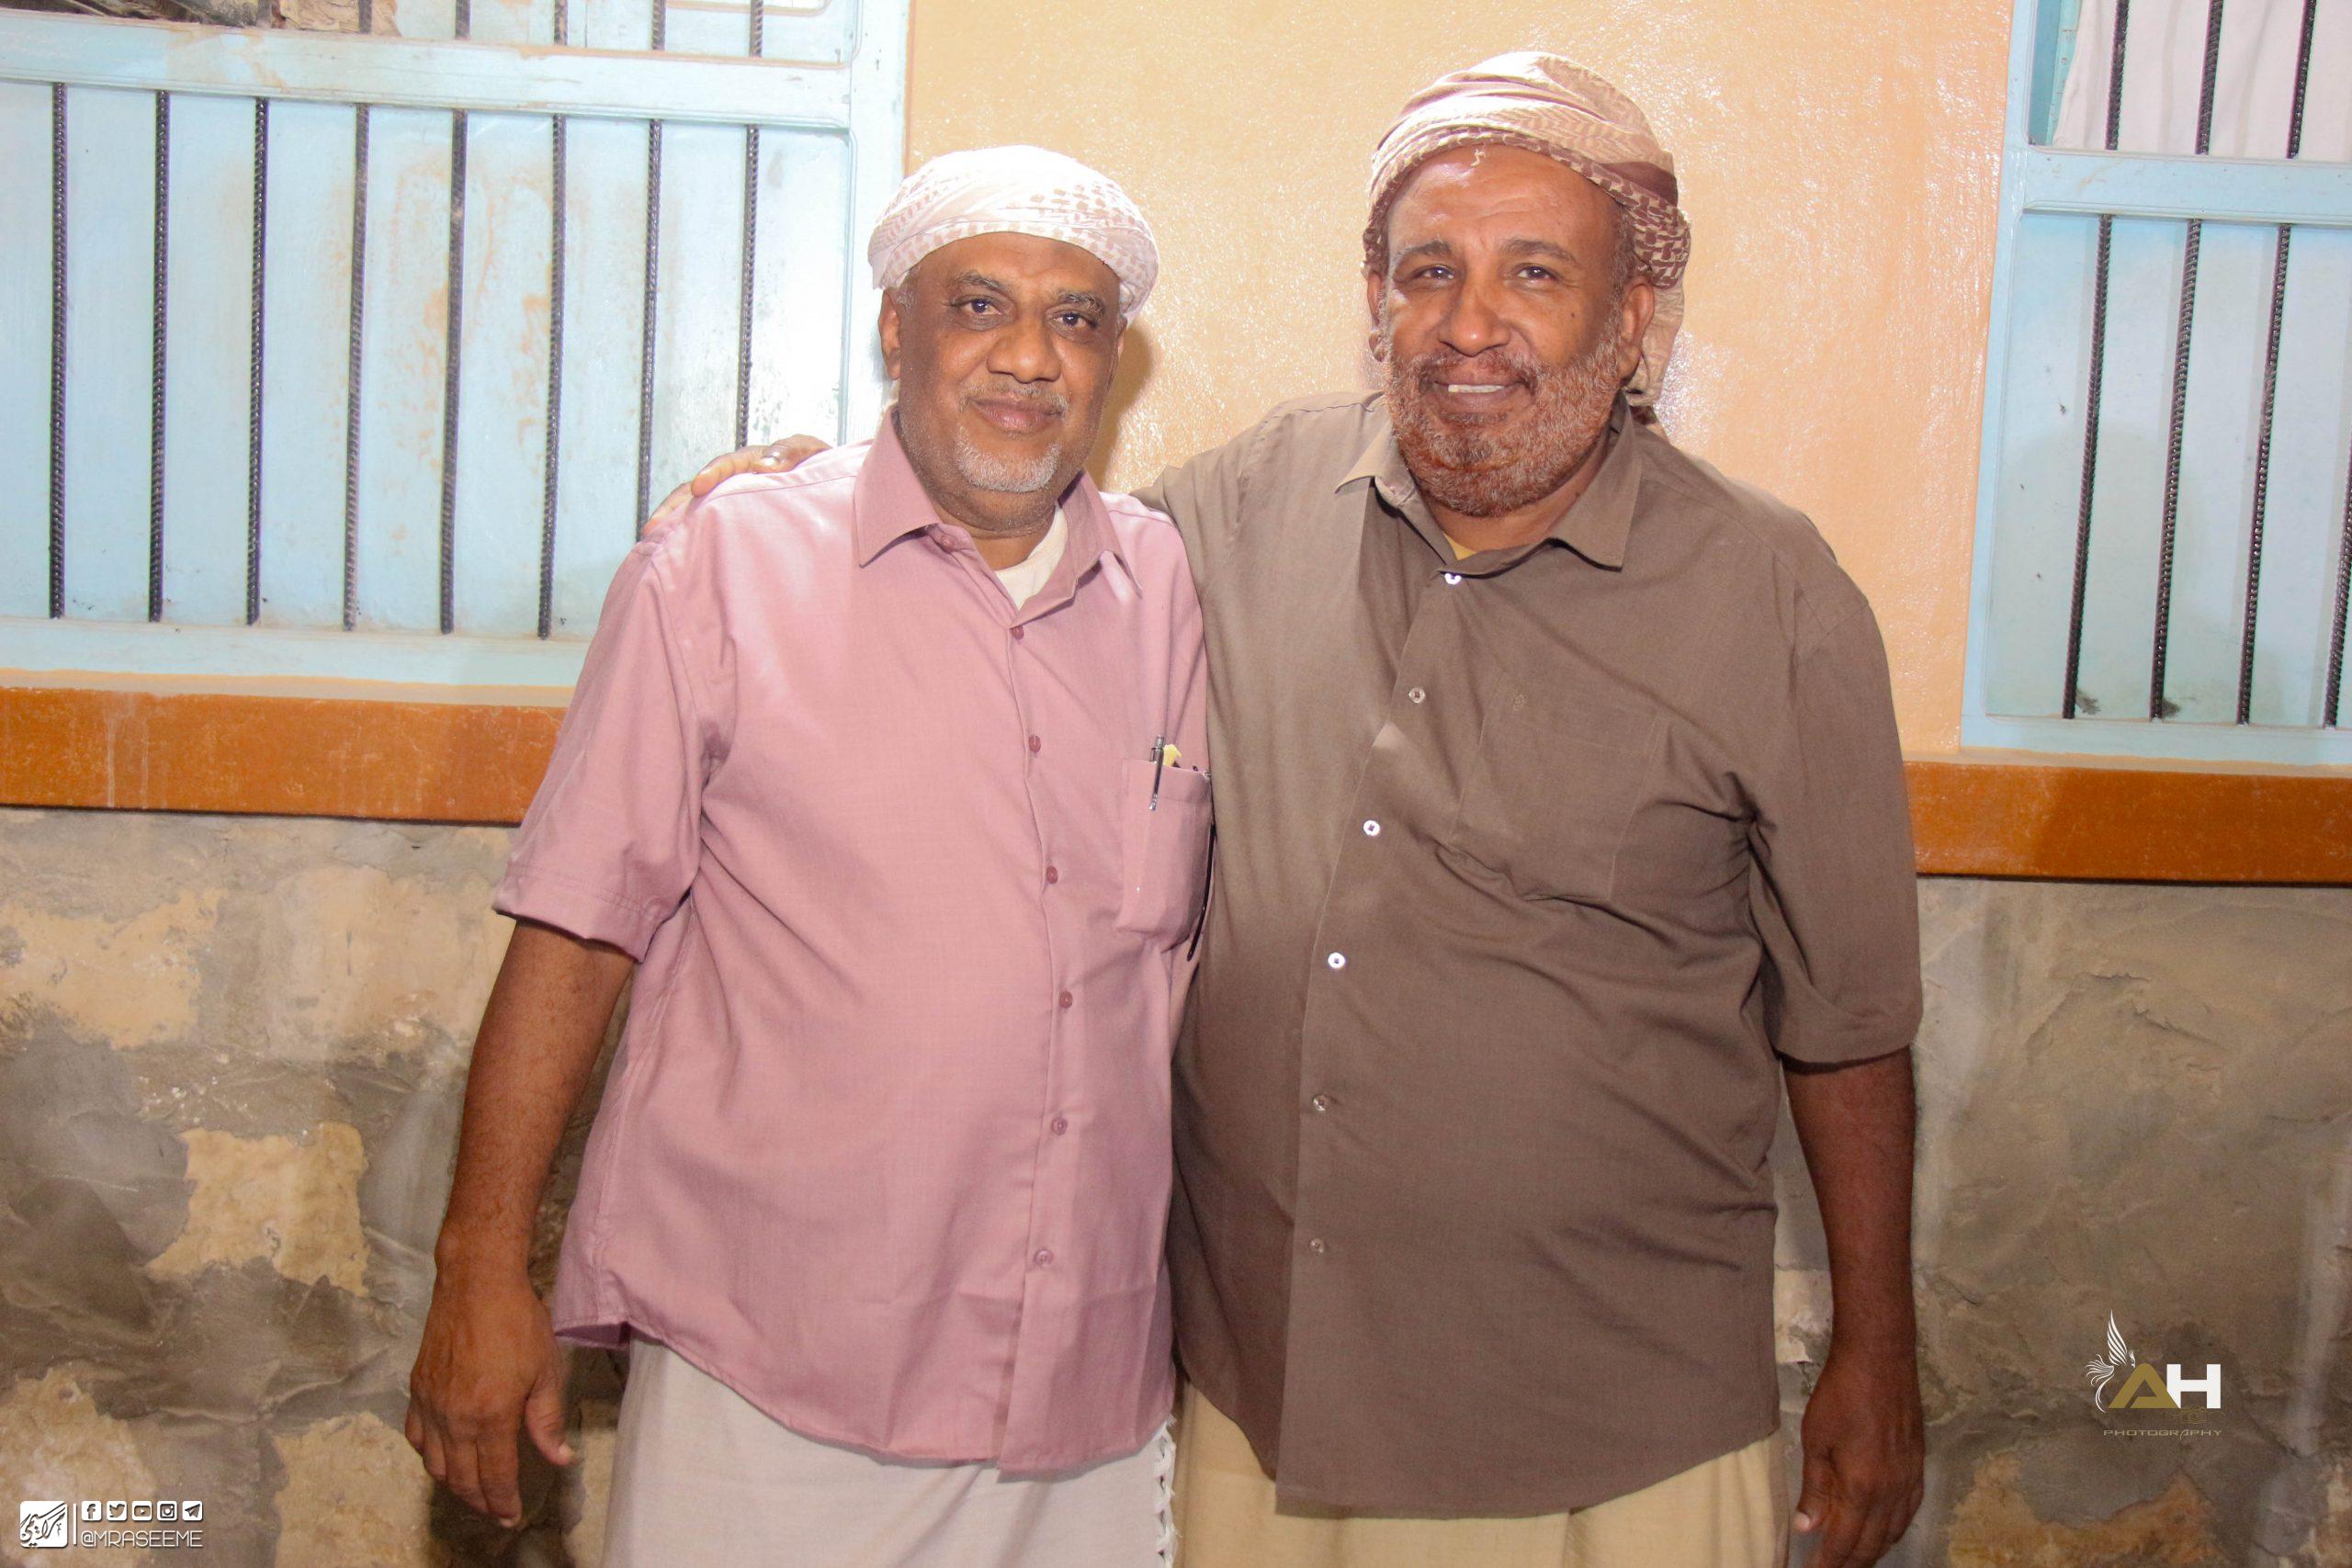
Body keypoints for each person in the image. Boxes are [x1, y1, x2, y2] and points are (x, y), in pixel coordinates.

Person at [665, 51, 1928, 1568]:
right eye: (1428, 271)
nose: (1471, 322)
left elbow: (1852, 1022)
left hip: (1609, 1420)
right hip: (1266, 1409)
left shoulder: (1773, 596)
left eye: (1535, 274)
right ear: (1377, 301)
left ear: (1634, 313)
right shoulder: (1249, 503)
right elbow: (1015, 519)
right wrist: (813, 486)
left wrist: (1877, 1352)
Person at [404, 144, 1208, 1567]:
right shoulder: (725, 567)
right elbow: (578, 931)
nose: (1029, 357)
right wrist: (480, 1268)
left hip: (1084, 1395)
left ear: (1111, 360)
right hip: (774, 1383)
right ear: (897, 328)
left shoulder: (1178, 590)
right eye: (979, 305)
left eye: (1076, 319)